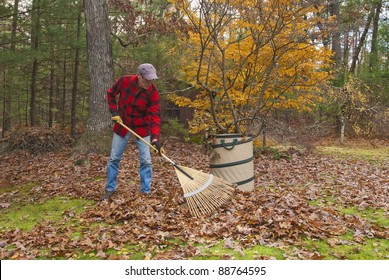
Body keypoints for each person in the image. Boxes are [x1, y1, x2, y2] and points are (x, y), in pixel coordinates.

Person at [102, 63, 162, 200]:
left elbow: (155, 116)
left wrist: (155, 139)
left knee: (146, 161)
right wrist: (114, 111)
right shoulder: (124, 81)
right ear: (139, 75)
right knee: (114, 158)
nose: (149, 82)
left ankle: (145, 191)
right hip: (123, 124)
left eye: (151, 79)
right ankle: (110, 189)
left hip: (142, 127)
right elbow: (110, 94)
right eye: (146, 79)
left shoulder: (153, 92)